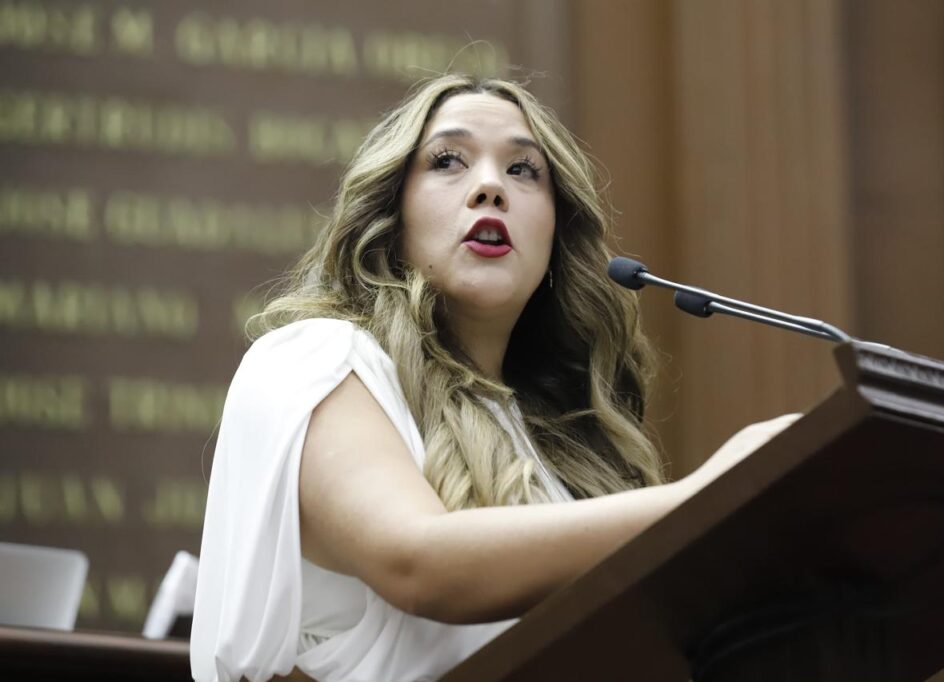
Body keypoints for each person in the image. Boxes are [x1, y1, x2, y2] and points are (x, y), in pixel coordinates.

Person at [190, 74, 798, 682]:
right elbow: (417, 564)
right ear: (391, 212)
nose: (490, 187)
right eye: (447, 161)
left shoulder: (559, 449)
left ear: (556, 233)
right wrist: (713, 496)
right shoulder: (317, 357)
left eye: (523, 170)